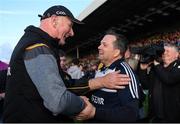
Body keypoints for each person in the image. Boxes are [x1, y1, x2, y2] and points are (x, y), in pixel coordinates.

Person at [3, 5, 130, 123]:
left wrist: (100, 82)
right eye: (70, 25)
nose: (72, 33)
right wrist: (81, 104)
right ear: (54, 21)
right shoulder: (38, 47)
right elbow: (58, 101)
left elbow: (63, 85)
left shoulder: (32, 43)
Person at [75, 30, 140, 122]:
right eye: (100, 44)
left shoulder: (124, 73)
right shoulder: (101, 68)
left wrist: (95, 113)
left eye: (104, 45)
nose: (99, 47)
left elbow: (131, 114)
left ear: (116, 52)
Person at [138, 42, 180, 122]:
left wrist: (157, 64)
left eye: (167, 51)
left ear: (177, 54)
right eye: (163, 51)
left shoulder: (178, 66)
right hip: (155, 113)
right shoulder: (157, 67)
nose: (164, 53)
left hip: (173, 114)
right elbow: (146, 85)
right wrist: (142, 70)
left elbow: (169, 79)